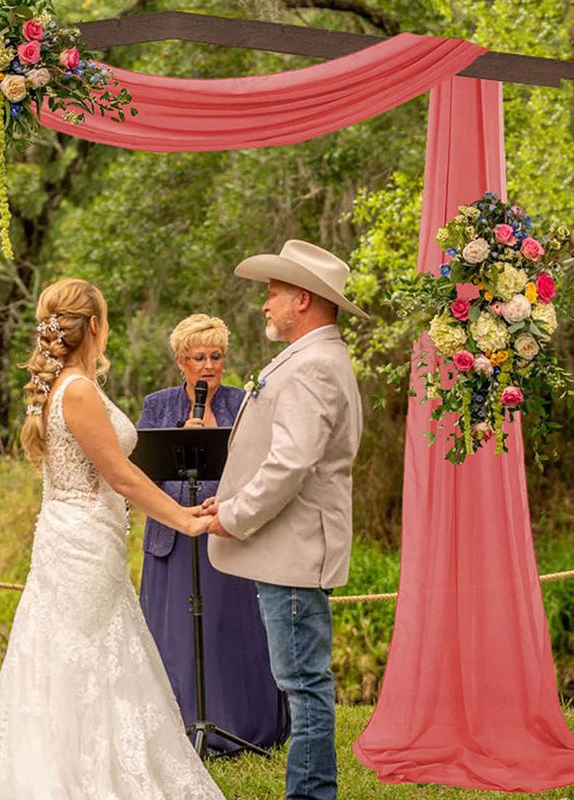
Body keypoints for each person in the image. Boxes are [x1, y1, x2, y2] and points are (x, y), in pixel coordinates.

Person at [0, 278, 224, 800]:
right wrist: (185, 519)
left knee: (76, 655)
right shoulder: (78, 390)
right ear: (93, 325)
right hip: (82, 541)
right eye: (105, 321)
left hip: (77, 534)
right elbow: (122, 476)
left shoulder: (65, 384)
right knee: (88, 657)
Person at [204, 240, 369, 800]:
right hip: (288, 545)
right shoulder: (310, 357)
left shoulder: (314, 366)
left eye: (273, 294)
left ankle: (311, 794)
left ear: (303, 298)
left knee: (304, 684)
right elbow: (273, 456)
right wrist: (225, 502)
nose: (265, 305)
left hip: (295, 550)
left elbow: (290, 463)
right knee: (301, 680)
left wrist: (237, 517)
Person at [138, 313, 289, 753]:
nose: (208, 365)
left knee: (228, 630)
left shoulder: (244, 403)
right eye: (198, 357)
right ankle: (176, 728)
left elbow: (261, 470)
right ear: (180, 361)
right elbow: (142, 474)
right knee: (175, 634)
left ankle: (240, 725)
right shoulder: (157, 405)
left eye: (216, 356)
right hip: (173, 536)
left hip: (227, 531)